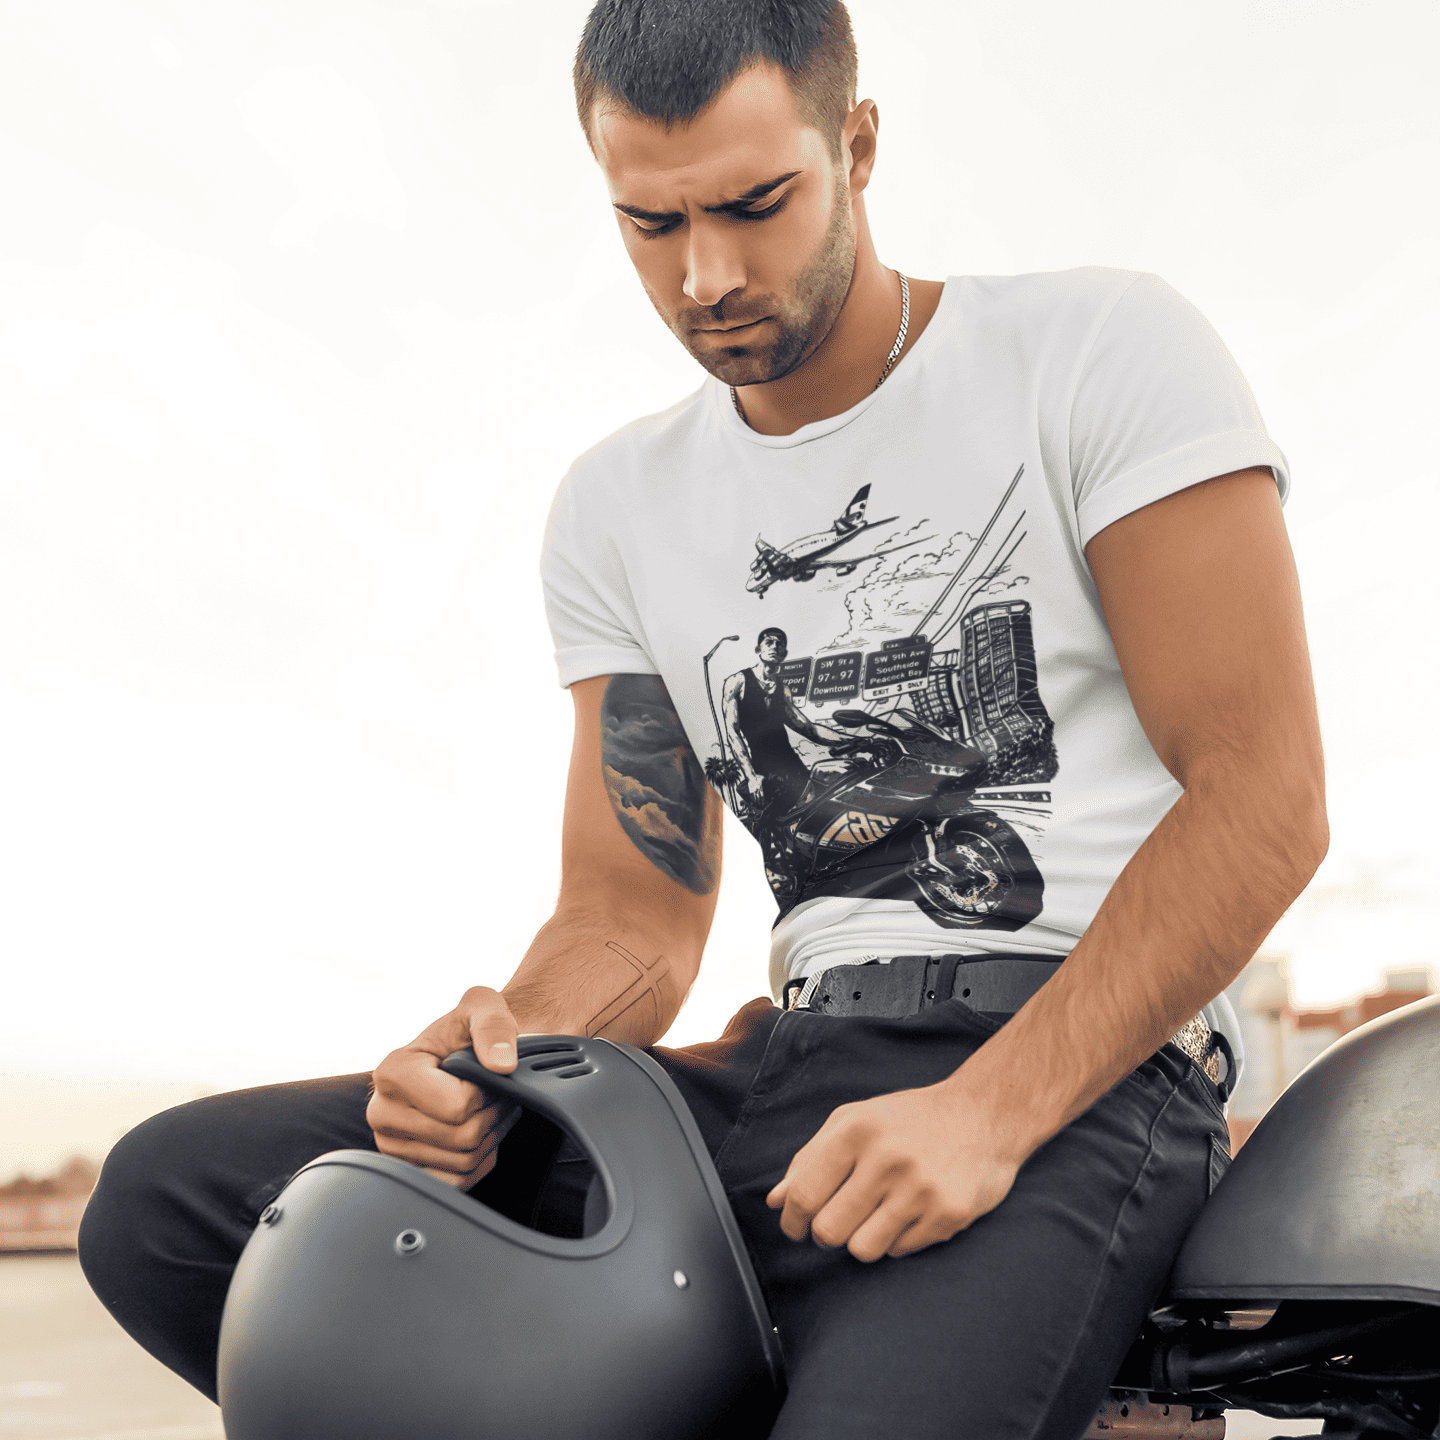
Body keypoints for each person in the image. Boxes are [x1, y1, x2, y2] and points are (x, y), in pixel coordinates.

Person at [78, 3, 1328, 1437]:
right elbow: (633, 909)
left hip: (1065, 1074)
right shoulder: (618, 506)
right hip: (769, 1071)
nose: (707, 275)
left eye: (754, 205)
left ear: (856, 144)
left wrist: (989, 1113)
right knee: (177, 1207)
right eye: (650, 225)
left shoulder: (1097, 348)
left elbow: (1265, 796)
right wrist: (498, 1053)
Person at [721, 626, 845, 883]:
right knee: (774, 820)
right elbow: (733, 733)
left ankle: (811, 870)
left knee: (822, 809)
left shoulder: (782, 690)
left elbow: (808, 728)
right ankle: (768, 874)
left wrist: (853, 741)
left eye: (780, 643)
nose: (775, 645)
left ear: (785, 653)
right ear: (758, 649)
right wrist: (751, 775)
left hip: (792, 764)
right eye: (769, 641)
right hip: (764, 768)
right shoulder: (737, 682)